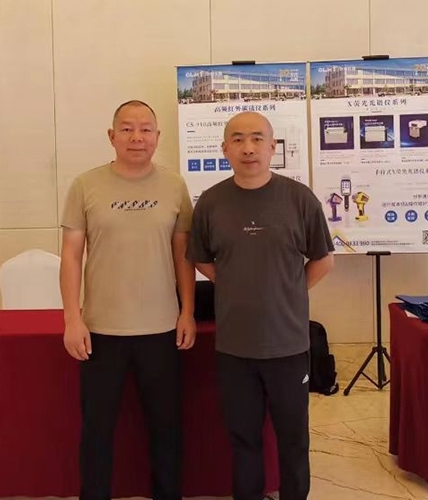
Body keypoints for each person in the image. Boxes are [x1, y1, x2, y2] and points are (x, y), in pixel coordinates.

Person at [187, 111, 334, 500]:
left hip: (288, 344)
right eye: (237, 139)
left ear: (272, 147)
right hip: (234, 346)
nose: (248, 148)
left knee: (293, 438)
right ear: (225, 149)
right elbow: (201, 259)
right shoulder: (211, 202)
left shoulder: (299, 198)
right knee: (243, 437)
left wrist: (288, 290)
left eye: (256, 139)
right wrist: (234, 283)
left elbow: (323, 259)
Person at [60, 100, 195, 500]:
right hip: (101, 331)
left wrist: (187, 311)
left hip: (162, 330)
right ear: (111, 136)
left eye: (146, 129)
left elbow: (183, 255)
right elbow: (71, 255)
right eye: (127, 128)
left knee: (166, 429)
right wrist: (72, 318)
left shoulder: (174, 186)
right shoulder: (86, 185)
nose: (137, 137)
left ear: (157, 136)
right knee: (97, 431)